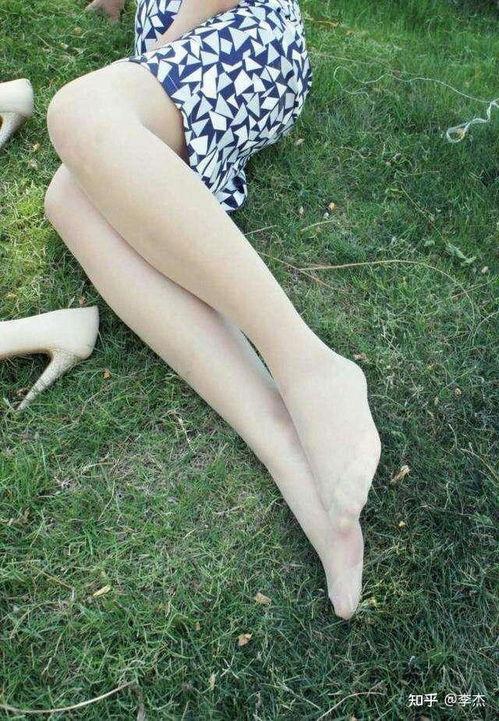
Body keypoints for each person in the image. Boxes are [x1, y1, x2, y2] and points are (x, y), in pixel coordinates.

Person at [42, 0, 381, 620]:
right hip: (185, 67)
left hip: (240, 38)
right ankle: (289, 456)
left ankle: (311, 367)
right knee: (66, 196)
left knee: (78, 109)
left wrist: (155, 54)